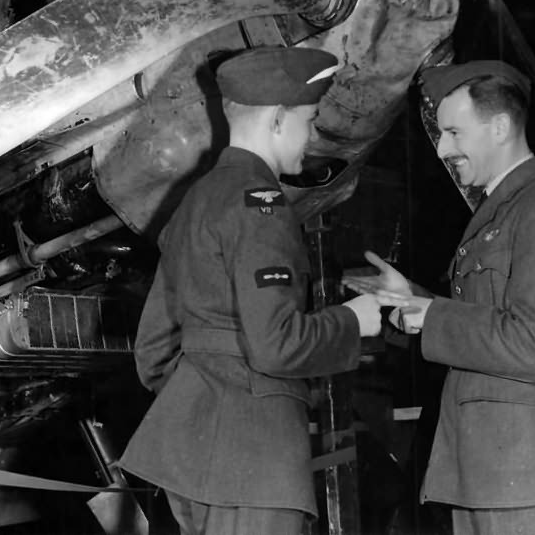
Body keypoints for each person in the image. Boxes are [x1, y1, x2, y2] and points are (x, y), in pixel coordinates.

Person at [119, 46, 383, 535]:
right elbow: (276, 344)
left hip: (190, 458)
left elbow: (153, 348)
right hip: (254, 463)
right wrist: (354, 322)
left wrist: (203, 404)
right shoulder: (263, 205)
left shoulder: (195, 199)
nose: (311, 136)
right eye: (308, 120)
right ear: (278, 119)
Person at [345, 60, 535, 535]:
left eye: (453, 132)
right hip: (488, 475)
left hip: (528, 480)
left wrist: (433, 315)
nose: (444, 148)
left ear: (501, 127)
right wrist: (415, 302)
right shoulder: (502, 211)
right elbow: (490, 320)